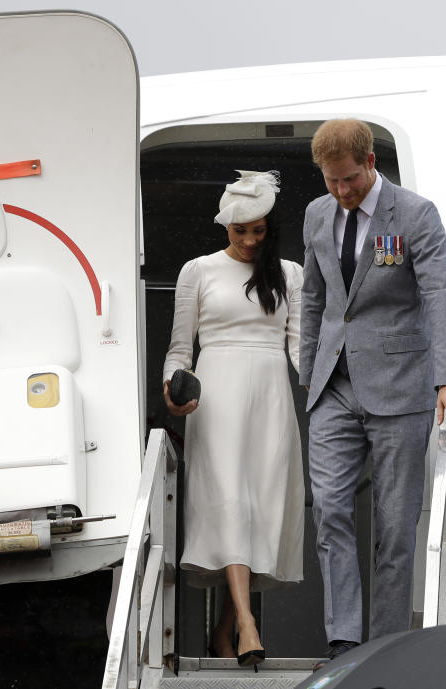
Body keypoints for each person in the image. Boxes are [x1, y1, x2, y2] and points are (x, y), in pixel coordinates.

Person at [298, 119, 446, 669]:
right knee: (329, 510)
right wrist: (308, 371)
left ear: (370, 161)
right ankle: (345, 640)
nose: (342, 191)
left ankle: (386, 645)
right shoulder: (316, 214)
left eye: (349, 179)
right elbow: (313, 297)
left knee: (395, 529)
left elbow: (441, 294)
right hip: (334, 386)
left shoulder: (416, 214)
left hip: (399, 388)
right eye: (331, 181)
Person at [163, 170, 304, 666]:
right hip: (215, 393)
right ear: (225, 227)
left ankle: (223, 632)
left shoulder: (289, 273)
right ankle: (247, 625)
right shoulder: (196, 270)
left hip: (270, 396)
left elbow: (300, 349)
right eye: (239, 230)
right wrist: (172, 391)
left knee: (259, 507)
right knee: (230, 502)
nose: (248, 241)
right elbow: (180, 349)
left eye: (258, 231)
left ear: (271, 228)